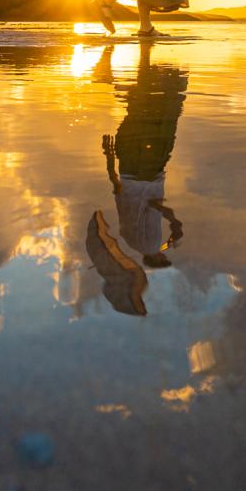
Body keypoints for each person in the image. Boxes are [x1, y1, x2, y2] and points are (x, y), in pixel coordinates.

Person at [85, 44, 188, 317]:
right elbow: (115, 189)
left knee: (157, 116)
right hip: (128, 167)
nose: (166, 254)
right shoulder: (133, 243)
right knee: (137, 116)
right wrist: (109, 156)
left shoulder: (152, 244)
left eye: (164, 258)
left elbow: (154, 206)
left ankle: (141, 75)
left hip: (148, 171)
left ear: (157, 258)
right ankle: (136, 74)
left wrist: (174, 220)